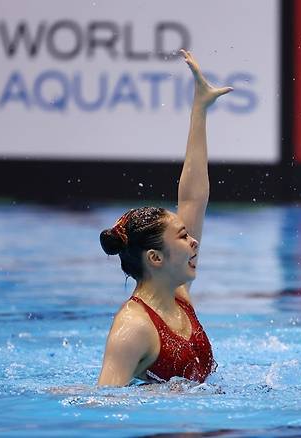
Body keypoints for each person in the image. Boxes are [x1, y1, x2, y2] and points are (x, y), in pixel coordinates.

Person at [97, 50, 232, 386]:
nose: (194, 240)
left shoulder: (178, 295)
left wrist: (199, 111)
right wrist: (156, 397)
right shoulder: (134, 328)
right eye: (183, 237)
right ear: (155, 258)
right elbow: (101, 405)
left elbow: (193, 197)